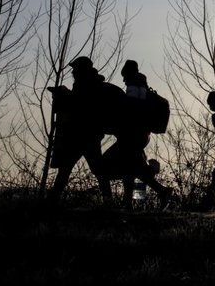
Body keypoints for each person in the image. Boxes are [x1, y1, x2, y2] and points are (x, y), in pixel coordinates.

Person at [100, 59, 173, 210]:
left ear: (128, 72)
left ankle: (124, 201)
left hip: (132, 135)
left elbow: (132, 110)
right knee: (132, 168)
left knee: (105, 165)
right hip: (139, 135)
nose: (124, 80)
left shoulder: (135, 86)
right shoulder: (142, 86)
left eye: (124, 75)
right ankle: (135, 200)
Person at [47, 56, 114, 203]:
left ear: (81, 70)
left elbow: (79, 106)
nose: (73, 71)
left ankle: (52, 200)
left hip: (83, 134)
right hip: (88, 134)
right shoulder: (89, 83)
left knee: (68, 168)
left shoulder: (86, 85)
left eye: (75, 68)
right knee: (96, 169)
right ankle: (108, 200)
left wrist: (64, 95)